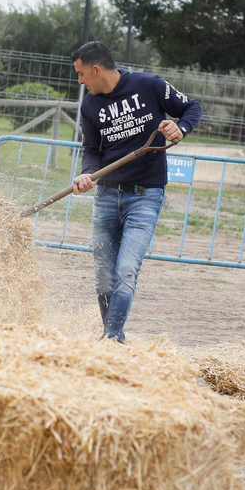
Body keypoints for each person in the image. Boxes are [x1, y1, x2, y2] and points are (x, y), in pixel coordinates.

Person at [68, 40, 201, 342]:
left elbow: (192, 107)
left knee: (126, 269)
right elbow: (91, 150)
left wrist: (181, 128)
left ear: (97, 69)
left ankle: (113, 338)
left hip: (145, 195)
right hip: (105, 196)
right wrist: (87, 173)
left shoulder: (148, 86)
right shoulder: (89, 105)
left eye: (81, 75)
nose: (79, 82)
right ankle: (110, 335)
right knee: (104, 273)